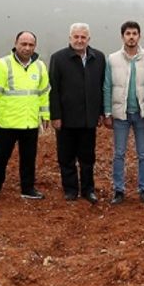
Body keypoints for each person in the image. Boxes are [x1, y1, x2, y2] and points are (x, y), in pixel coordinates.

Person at [0, 31, 50, 201]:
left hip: (29, 122)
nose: (27, 48)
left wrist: (45, 115)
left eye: (30, 45)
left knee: (29, 158)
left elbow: (43, 93)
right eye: (23, 44)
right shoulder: (1, 65)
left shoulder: (40, 66)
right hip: (7, 122)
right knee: (1, 157)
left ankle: (28, 188)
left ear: (35, 46)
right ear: (15, 44)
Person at [49, 23, 106, 204]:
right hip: (66, 118)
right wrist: (55, 115)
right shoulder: (58, 58)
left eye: (83, 37)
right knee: (66, 157)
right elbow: (53, 89)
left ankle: (88, 190)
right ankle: (70, 189)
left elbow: (102, 87)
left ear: (88, 39)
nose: (79, 40)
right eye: (76, 37)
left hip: (89, 118)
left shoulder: (99, 58)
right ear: (70, 38)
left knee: (88, 157)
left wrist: (101, 112)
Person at [103, 21, 144, 204]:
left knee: (143, 153)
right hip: (121, 114)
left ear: (139, 36)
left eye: (134, 33)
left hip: (142, 114)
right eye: (128, 33)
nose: (131, 37)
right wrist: (107, 112)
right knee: (119, 153)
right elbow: (107, 86)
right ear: (122, 36)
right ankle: (118, 190)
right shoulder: (112, 59)